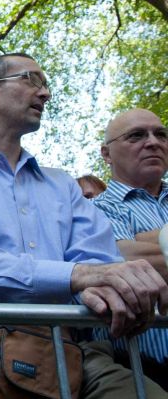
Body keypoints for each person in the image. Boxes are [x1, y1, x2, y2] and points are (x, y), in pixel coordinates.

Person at [0, 53, 168, 397]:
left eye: (45, 83)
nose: (45, 93)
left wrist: (100, 288)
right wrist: (79, 277)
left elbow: (98, 258)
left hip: (72, 351)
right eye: (31, 79)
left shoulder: (63, 185)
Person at [91, 108, 168, 389]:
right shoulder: (94, 210)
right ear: (107, 154)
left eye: (161, 134)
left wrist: (150, 241)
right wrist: (134, 251)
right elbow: (123, 261)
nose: (153, 142)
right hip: (142, 369)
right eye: (136, 135)